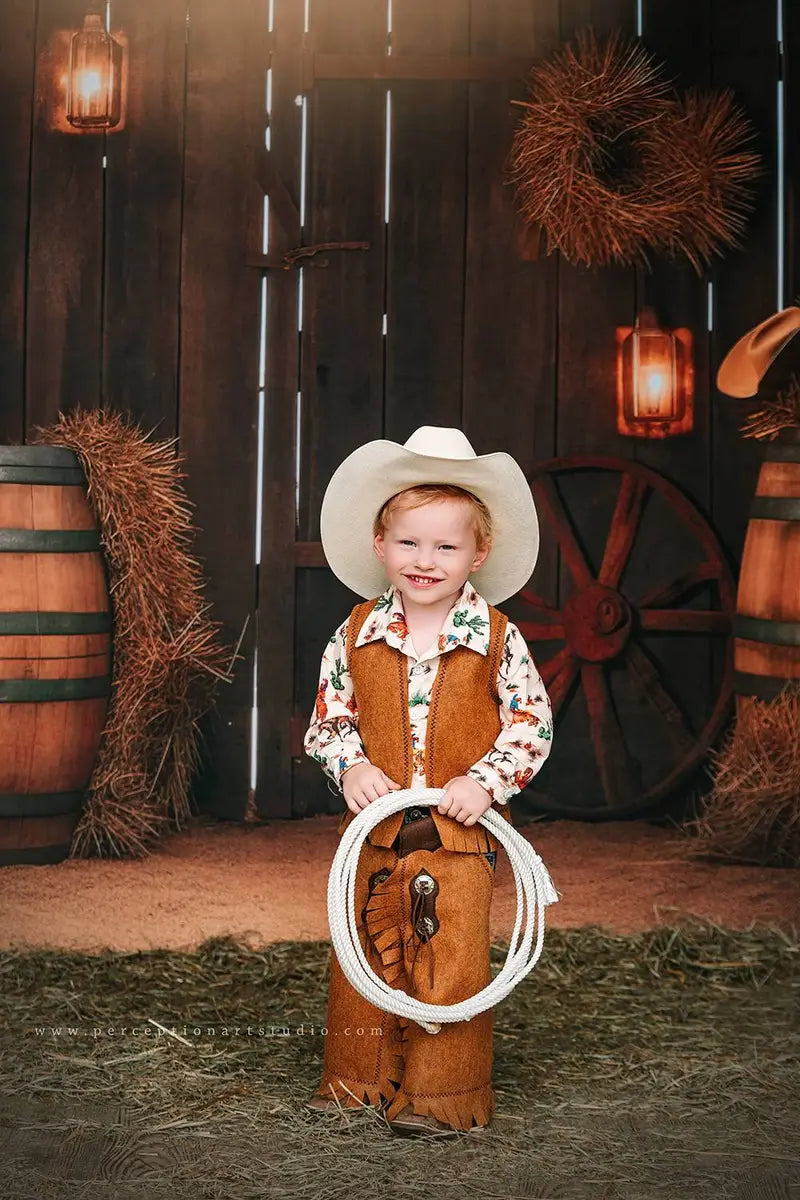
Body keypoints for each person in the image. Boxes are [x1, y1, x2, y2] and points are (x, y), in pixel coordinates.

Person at [303, 425, 554, 1136]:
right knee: (360, 957)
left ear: (479, 552)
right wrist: (349, 763)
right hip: (375, 833)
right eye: (410, 543)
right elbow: (330, 717)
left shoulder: (499, 638)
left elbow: (531, 723)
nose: (425, 561)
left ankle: (445, 1099)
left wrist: (487, 781)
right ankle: (356, 1081)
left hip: (459, 836)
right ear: (381, 546)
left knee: (453, 962)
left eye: (446, 546)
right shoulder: (353, 634)